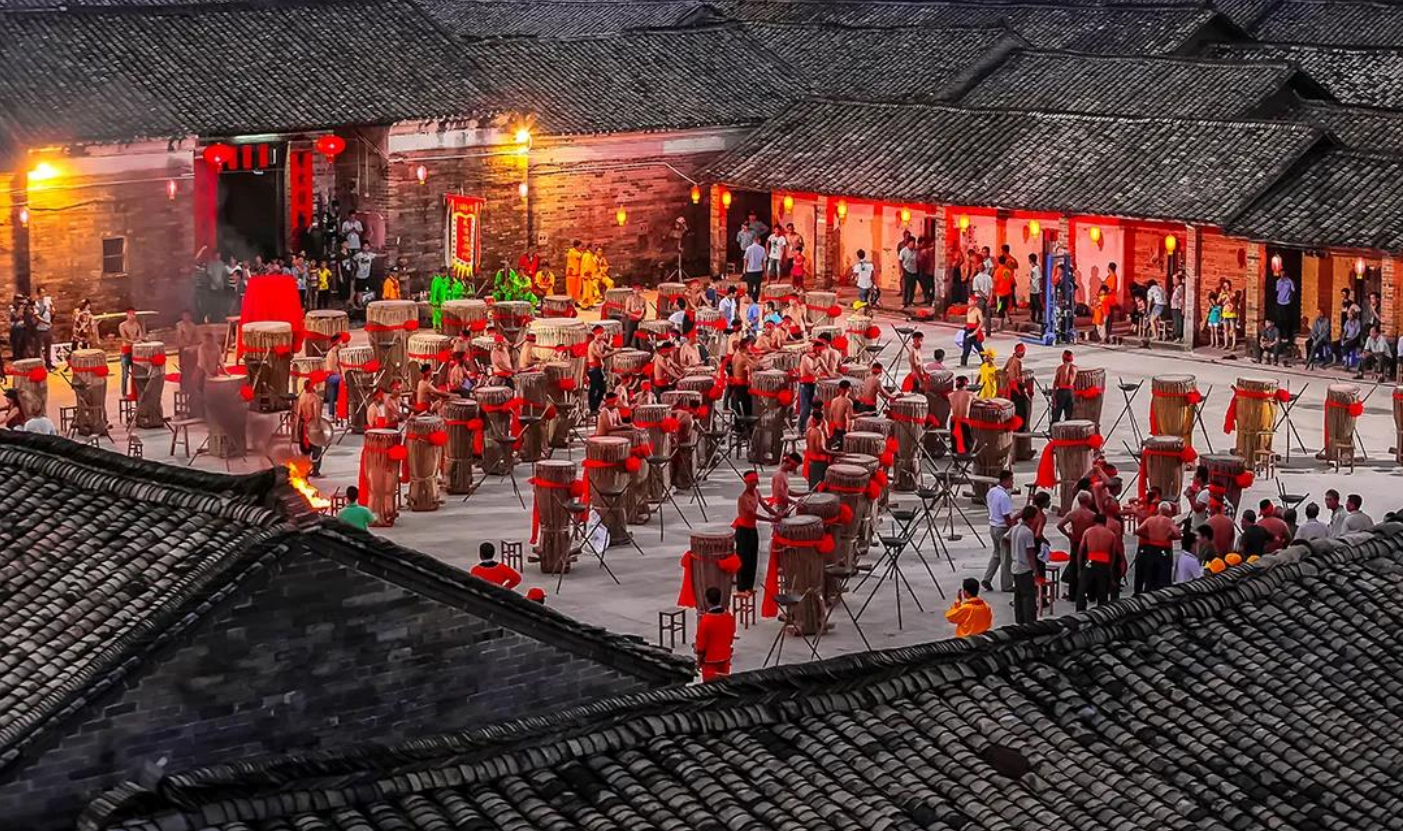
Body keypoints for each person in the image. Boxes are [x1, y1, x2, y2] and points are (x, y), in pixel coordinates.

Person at [1056, 490, 1096, 604]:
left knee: (1074, 567)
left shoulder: (1072, 514)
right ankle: (1091, 593)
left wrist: (1069, 535)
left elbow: (1060, 525)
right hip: (1088, 543)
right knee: (1090, 566)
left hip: (1076, 542)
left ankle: (1073, 594)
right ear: (1089, 501)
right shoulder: (1092, 515)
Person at [1134, 501, 1181, 593]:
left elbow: (1138, 531)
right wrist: (1169, 537)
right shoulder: (1168, 521)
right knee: (1163, 578)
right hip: (1164, 549)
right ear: (1168, 511)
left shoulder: (1150, 519)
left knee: (1150, 577)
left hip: (1151, 549)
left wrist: (1149, 536)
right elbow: (1177, 533)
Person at [981, 469, 1016, 593]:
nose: (1012, 483)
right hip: (1002, 528)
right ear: (1005, 480)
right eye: (1011, 480)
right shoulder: (1004, 497)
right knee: (1006, 558)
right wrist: (1012, 529)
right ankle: (1007, 585)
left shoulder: (992, 492)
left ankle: (987, 578)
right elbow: (1006, 516)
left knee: (996, 554)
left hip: (993, 526)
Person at [1078, 512, 1119, 609]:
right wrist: (1110, 569)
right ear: (1105, 522)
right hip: (1104, 562)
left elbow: (1080, 551)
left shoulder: (1088, 531)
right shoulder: (1111, 534)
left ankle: (1080, 610)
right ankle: (1101, 611)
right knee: (1102, 590)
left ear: (1094, 521)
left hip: (1090, 561)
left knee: (1082, 589)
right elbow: (1113, 555)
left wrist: (1079, 569)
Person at [694, 586, 736, 682]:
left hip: (710, 661)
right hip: (725, 658)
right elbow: (730, 638)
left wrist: (698, 662)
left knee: (710, 687)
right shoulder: (729, 617)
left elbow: (701, 646)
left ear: (707, 600)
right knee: (724, 684)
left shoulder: (705, 621)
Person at [1010, 505, 1039, 624]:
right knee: (1028, 597)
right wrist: (1035, 570)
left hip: (1015, 566)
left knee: (1018, 596)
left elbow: (1005, 539)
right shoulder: (1028, 533)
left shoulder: (1015, 528)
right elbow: (1030, 553)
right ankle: (1029, 622)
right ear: (1031, 518)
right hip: (1024, 568)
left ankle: (1020, 620)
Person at [734, 471, 762, 595]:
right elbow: (752, 514)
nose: (754, 484)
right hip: (743, 531)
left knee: (752, 558)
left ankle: (749, 586)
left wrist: (776, 514)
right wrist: (771, 519)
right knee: (743, 559)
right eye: (752, 482)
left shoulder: (756, 493)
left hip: (752, 529)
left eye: (755, 481)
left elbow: (765, 506)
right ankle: (741, 588)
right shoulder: (743, 498)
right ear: (746, 482)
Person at [294, 379, 329, 477]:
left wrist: (297, 430)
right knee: (316, 449)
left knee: (305, 450)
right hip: (312, 426)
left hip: (303, 425)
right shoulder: (315, 398)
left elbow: (299, 415)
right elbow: (316, 415)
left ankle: (304, 470)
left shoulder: (302, 397)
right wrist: (319, 428)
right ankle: (315, 471)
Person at [118, 308, 146, 399]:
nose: (132, 316)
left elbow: (141, 336)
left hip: (135, 351)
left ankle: (137, 392)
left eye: (134, 314)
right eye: (130, 314)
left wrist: (140, 340)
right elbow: (124, 338)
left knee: (136, 373)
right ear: (127, 315)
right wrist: (134, 341)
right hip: (126, 351)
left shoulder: (137, 325)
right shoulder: (122, 325)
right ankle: (124, 394)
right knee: (125, 374)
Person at [1050, 350, 1076, 424]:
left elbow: (1056, 382)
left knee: (1056, 415)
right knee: (1069, 416)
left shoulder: (1060, 368)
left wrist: (1053, 395)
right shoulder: (1075, 368)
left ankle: (1053, 429)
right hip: (1070, 392)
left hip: (1061, 392)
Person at [949, 375, 973, 453]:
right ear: (966, 384)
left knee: (955, 444)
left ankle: (956, 458)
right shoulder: (969, 394)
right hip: (964, 422)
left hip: (953, 422)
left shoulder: (950, 395)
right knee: (967, 445)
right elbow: (984, 401)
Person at [959, 302, 984, 366]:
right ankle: (963, 363)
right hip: (968, 330)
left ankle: (985, 361)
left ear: (975, 302)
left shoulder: (978, 311)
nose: (969, 301)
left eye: (970, 300)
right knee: (966, 348)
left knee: (979, 347)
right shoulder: (969, 309)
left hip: (974, 330)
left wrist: (976, 331)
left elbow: (981, 322)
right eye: (969, 300)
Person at [742, 234, 766, 301]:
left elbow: (746, 260)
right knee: (757, 286)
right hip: (758, 271)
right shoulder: (762, 249)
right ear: (758, 240)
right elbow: (763, 261)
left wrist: (744, 269)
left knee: (750, 286)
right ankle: (755, 300)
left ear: (753, 240)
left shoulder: (749, 248)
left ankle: (750, 299)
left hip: (750, 271)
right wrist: (765, 271)